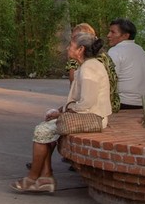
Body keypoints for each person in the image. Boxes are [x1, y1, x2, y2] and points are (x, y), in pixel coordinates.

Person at [12, 26, 113, 194]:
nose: (68, 48)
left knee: (42, 130)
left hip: (92, 118)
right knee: (46, 128)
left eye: (71, 46)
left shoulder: (89, 68)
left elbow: (87, 102)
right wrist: (61, 111)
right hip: (89, 115)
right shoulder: (89, 65)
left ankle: (33, 178)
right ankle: (45, 177)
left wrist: (62, 113)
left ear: (80, 50)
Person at [105, 18, 145, 110]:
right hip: (144, 104)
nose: (108, 35)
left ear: (125, 35)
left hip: (123, 103)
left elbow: (109, 80)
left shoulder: (115, 51)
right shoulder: (142, 51)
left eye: (113, 32)